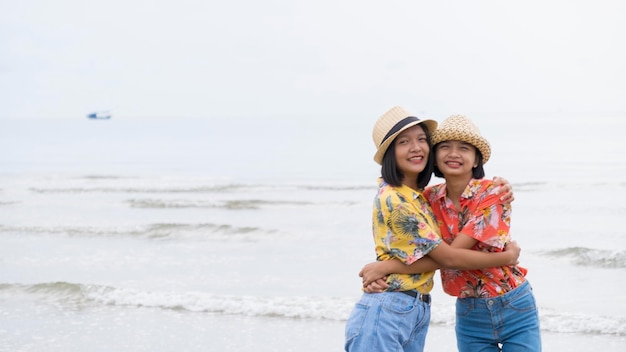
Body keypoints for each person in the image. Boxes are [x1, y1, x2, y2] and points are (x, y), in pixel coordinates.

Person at [344, 107, 521, 352]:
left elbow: (441, 247)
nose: (416, 147)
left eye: (421, 140)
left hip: (412, 308)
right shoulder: (397, 201)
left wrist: (385, 266)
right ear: (389, 154)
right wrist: (507, 257)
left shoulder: (419, 197)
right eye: (404, 142)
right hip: (390, 305)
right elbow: (447, 258)